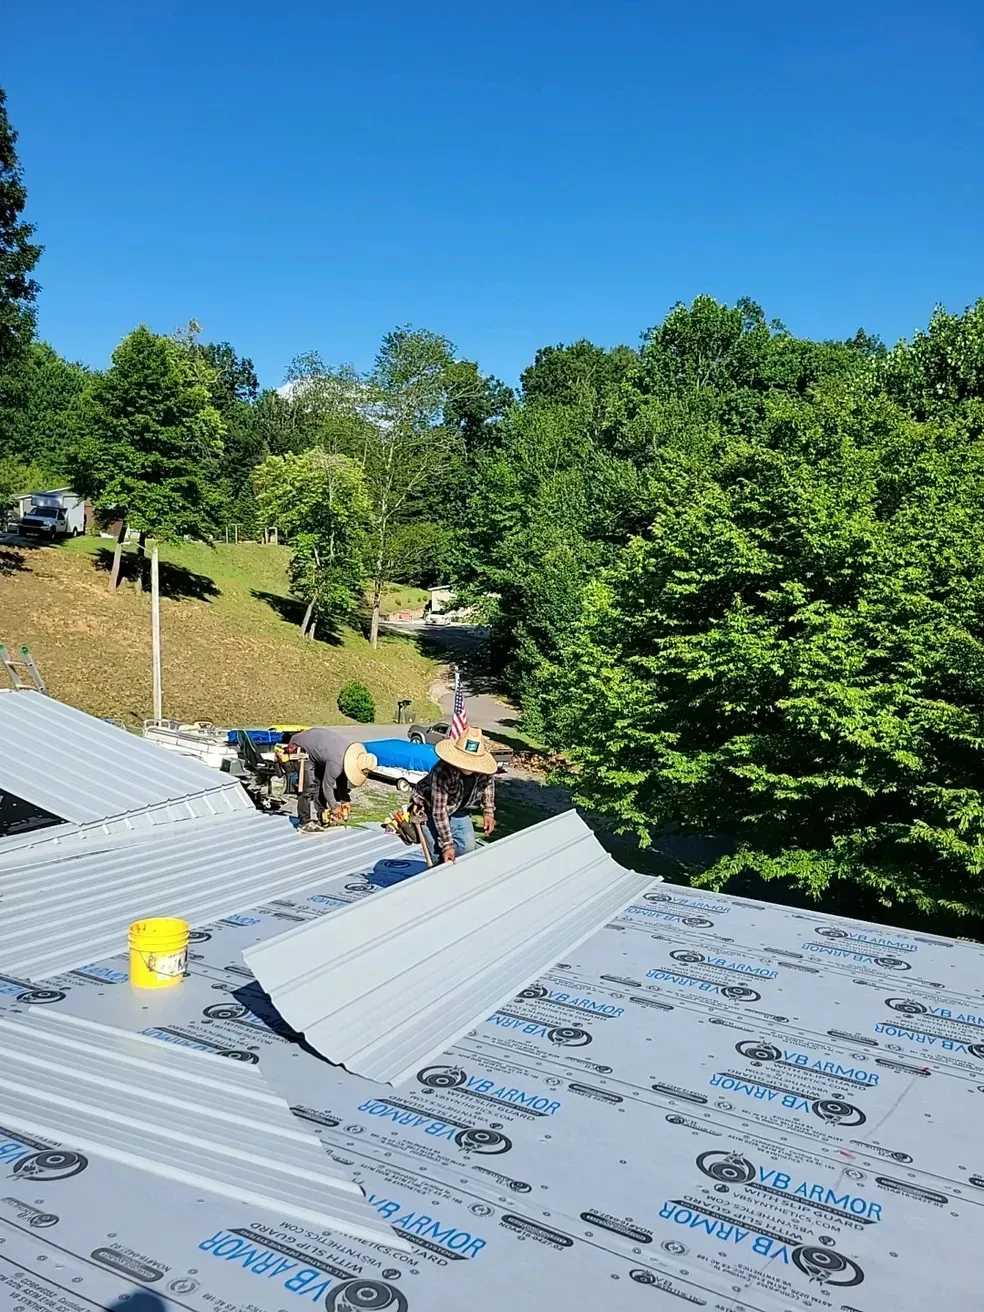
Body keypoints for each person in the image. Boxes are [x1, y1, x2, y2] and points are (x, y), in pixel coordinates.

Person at [411, 726, 497, 864]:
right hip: (430, 810)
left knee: (468, 849)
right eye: (465, 759)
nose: (469, 765)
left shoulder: (484, 770)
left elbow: (488, 784)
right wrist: (447, 845)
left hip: (459, 807)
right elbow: (439, 812)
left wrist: (488, 811)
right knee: (440, 857)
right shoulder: (442, 772)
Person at [289, 728, 377, 833]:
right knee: (308, 787)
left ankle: (322, 818)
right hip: (302, 746)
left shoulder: (348, 757)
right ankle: (304, 823)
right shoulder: (337, 763)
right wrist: (334, 807)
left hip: (319, 750)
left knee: (319, 782)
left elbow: (342, 779)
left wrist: (345, 800)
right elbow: (327, 787)